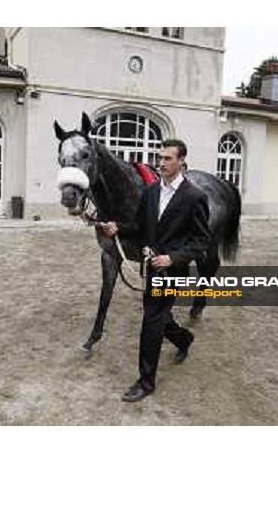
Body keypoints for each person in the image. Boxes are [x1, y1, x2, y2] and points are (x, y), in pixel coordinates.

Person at [101, 140, 212, 402]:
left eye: (168, 158)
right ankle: (184, 339)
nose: (161, 163)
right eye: (160, 157)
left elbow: (201, 241)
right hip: (150, 269)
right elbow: (139, 225)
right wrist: (119, 227)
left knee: (151, 319)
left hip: (172, 272)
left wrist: (173, 258)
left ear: (181, 161)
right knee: (159, 316)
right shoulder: (150, 192)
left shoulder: (195, 197)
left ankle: (146, 382)